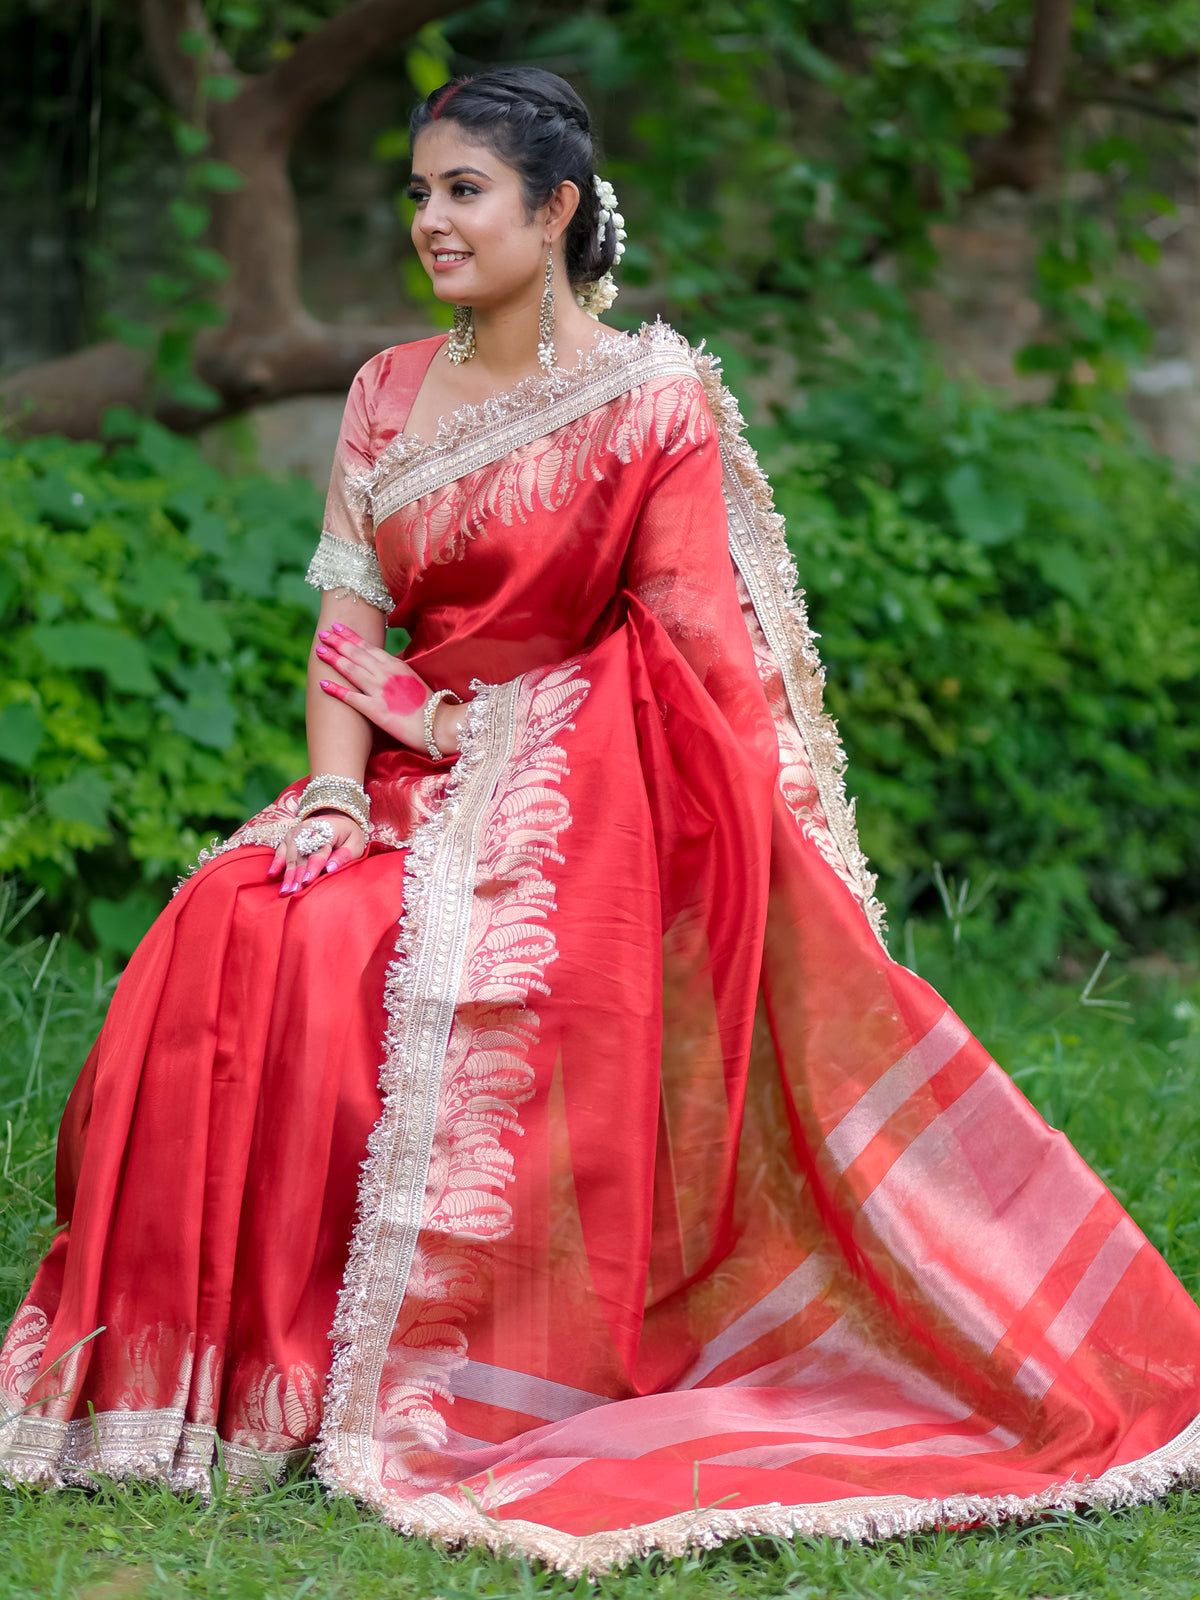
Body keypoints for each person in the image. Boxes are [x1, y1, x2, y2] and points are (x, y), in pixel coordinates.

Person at [2, 65, 1198, 1580]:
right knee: (237, 913)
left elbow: (694, 657)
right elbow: (344, 632)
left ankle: (366, 1363)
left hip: (579, 815)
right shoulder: (383, 389)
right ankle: (205, 1386)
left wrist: (555, 776)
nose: (429, 219)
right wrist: (327, 793)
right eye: (421, 191)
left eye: (464, 192)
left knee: (337, 957)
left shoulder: (651, 398)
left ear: (555, 209)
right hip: (393, 777)